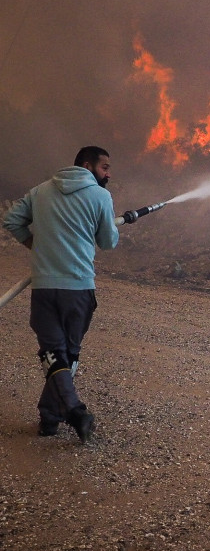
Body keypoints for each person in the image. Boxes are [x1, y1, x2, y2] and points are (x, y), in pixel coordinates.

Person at [3, 146, 119, 443]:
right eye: (104, 166)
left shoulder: (40, 191)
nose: (108, 173)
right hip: (78, 289)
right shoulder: (100, 196)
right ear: (87, 164)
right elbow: (107, 242)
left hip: (44, 289)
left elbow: (11, 220)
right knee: (67, 354)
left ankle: (49, 417)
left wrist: (37, 246)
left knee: (55, 355)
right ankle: (75, 411)